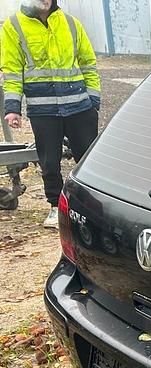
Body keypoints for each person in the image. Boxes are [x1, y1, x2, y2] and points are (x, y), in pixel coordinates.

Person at [1, 0, 100, 228]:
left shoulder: (70, 23)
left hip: (79, 107)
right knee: (49, 162)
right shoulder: (14, 26)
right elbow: (13, 71)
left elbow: (88, 63)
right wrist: (12, 108)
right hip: (43, 110)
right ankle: (56, 206)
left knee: (87, 159)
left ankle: (90, 205)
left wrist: (93, 101)